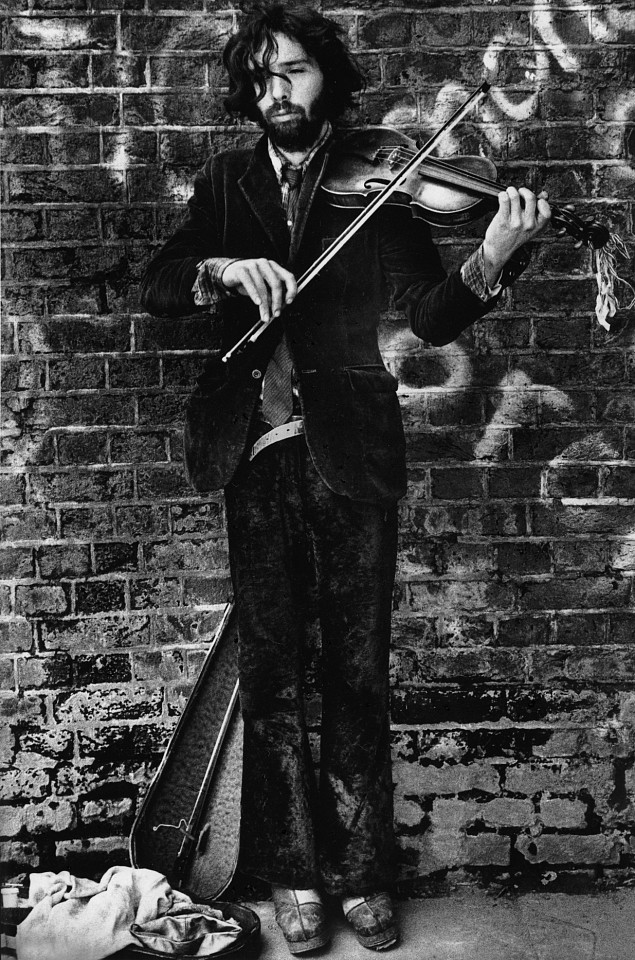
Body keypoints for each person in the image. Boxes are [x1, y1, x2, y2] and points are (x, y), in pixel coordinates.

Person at [140, 3, 551, 953]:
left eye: (292, 70)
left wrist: (489, 256)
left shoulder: (387, 180)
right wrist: (220, 267)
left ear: (328, 72)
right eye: (259, 76)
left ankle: (363, 873)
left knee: (357, 672)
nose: (274, 91)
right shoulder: (225, 181)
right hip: (253, 446)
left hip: (347, 445)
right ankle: (292, 876)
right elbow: (157, 283)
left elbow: (431, 315)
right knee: (276, 673)